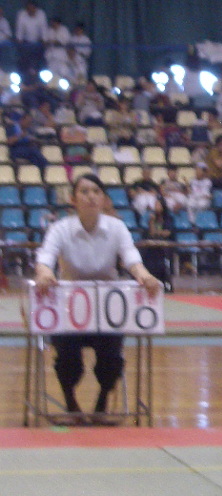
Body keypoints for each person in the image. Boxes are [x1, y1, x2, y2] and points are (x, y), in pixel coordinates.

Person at [34, 174, 161, 425]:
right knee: (67, 359)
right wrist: (45, 273)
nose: (91, 196)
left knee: (112, 358)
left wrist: (145, 276)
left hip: (107, 309)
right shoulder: (60, 229)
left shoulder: (117, 228)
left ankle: (102, 403)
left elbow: (131, 258)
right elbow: (45, 257)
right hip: (68, 309)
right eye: (84, 191)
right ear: (73, 199)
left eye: (96, 191)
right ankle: (70, 403)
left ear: (103, 199)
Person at [141, 195, 175, 292]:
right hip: (154, 247)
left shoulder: (168, 218)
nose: (156, 207)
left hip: (165, 247)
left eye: (158, 204)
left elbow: (167, 233)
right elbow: (151, 233)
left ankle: (167, 284)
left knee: (163, 261)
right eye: (155, 204)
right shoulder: (152, 218)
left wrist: (158, 233)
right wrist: (151, 222)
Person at [15, 1, 47, 74]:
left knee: (40, 58)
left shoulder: (41, 14)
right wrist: (19, 40)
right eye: (28, 9)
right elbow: (19, 29)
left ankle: (38, 73)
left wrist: (44, 40)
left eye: (32, 8)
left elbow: (43, 28)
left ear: (36, 9)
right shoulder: (21, 14)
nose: (30, 10)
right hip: (26, 42)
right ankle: (24, 73)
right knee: (24, 58)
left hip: (38, 42)